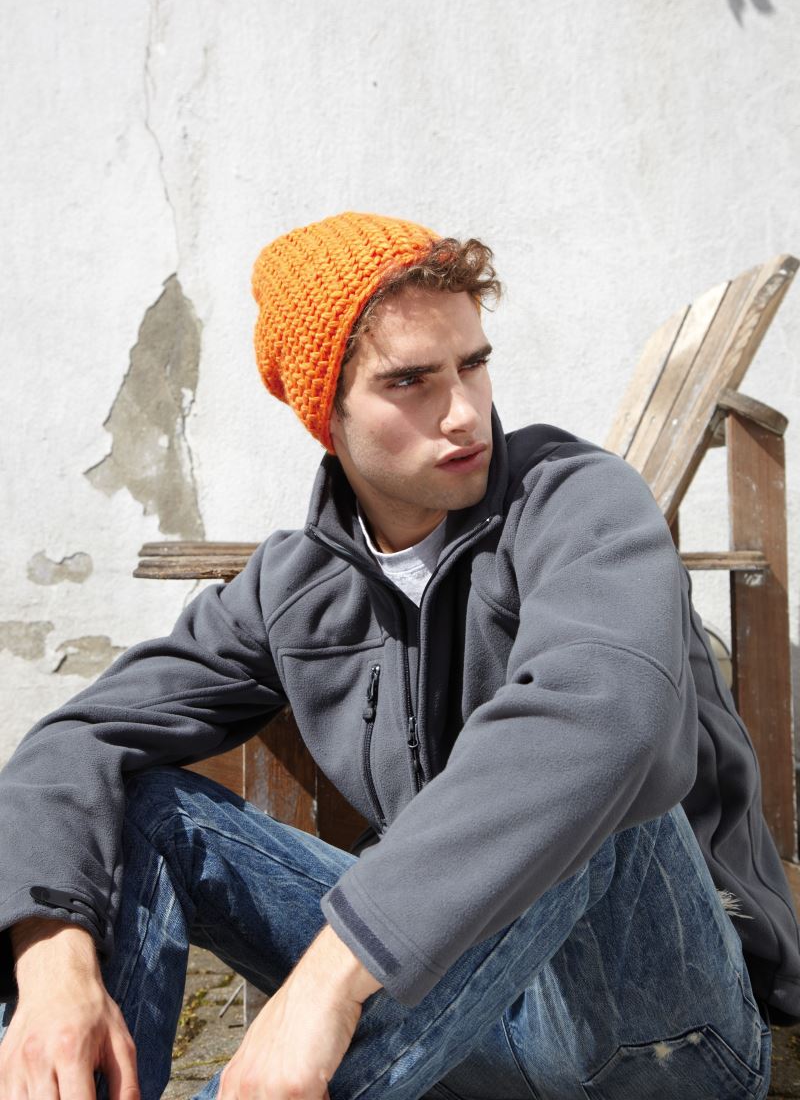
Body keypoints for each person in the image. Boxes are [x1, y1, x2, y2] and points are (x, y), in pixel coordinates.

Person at [0, 211, 797, 1100]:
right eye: (411, 381)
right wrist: (51, 956)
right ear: (325, 416)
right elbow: (76, 739)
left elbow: (605, 717)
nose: (464, 412)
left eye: (474, 365)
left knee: (590, 784)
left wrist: (326, 982)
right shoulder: (292, 587)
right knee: (147, 810)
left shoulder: (579, 499)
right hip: (459, 1021)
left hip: (661, 1037)